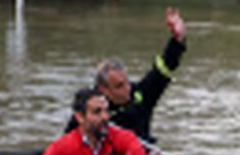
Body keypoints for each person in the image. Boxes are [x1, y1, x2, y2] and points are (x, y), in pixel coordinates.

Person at [64, 7, 188, 144]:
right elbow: (65, 145)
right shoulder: (89, 108)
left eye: (126, 82)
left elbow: (164, 68)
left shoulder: (141, 94)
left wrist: (178, 39)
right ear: (103, 89)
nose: (127, 89)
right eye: (119, 86)